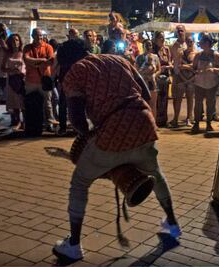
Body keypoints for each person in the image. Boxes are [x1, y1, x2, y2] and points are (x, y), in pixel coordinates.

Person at [52, 53, 181, 261]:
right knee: (155, 173)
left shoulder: (75, 71)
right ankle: (173, 224)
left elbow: (77, 120)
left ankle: (73, 245)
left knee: (80, 182)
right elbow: (146, 93)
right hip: (144, 123)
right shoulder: (118, 59)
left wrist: (91, 140)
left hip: (113, 131)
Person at [23, 28, 56, 136]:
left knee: (47, 103)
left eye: (41, 35)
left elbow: (50, 61)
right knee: (30, 102)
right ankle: (32, 123)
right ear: (33, 36)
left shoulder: (48, 47)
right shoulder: (27, 47)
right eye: (37, 35)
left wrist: (34, 63)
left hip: (44, 79)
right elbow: (26, 59)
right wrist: (42, 60)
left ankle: (49, 123)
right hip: (31, 80)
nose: (39, 37)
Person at [191, 33, 219, 133]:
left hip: (212, 83)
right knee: (198, 104)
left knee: (210, 104)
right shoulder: (198, 55)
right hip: (199, 83)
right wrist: (196, 72)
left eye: (202, 42)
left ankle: (208, 123)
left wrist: (214, 69)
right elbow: (193, 68)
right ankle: (196, 123)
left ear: (207, 43)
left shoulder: (216, 55)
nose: (200, 44)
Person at [56, 38, 88, 136]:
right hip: (78, 79)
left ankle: (63, 128)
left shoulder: (62, 50)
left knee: (63, 104)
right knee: (79, 105)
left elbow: (59, 63)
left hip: (65, 78)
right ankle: (79, 129)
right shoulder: (81, 51)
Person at [1, 33, 25, 130]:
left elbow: (26, 66)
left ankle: (24, 121)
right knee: (14, 101)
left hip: (21, 79)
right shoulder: (8, 54)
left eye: (17, 40)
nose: (15, 42)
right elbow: (2, 68)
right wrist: (11, 70)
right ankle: (17, 121)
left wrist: (22, 72)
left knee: (22, 101)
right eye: (13, 40)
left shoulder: (23, 53)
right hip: (11, 79)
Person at [136, 39, 161, 120]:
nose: (148, 46)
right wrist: (144, 75)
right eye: (146, 45)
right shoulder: (139, 58)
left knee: (153, 104)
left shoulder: (155, 57)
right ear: (143, 46)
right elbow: (136, 71)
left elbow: (159, 69)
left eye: (150, 45)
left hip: (152, 82)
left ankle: (154, 123)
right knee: (144, 104)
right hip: (143, 83)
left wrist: (153, 75)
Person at [176, 34, 196, 127]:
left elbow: (195, 68)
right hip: (182, 78)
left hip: (191, 79)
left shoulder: (196, 54)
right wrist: (189, 67)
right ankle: (175, 118)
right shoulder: (181, 52)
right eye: (188, 41)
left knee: (190, 99)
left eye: (191, 41)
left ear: (194, 42)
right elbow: (178, 67)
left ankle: (189, 118)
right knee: (178, 99)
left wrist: (185, 66)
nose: (189, 43)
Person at [169, 25, 187, 128]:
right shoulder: (173, 45)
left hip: (187, 75)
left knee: (188, 97)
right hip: (177, 74)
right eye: (178, 31)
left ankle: (188, 118)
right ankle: (175, 118)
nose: (179, 33)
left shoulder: (188, 44)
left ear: (184, 31)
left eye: (181, 31)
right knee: (176, 98)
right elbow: (172, 60)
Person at [153, 31, 172, 127]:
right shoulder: (152, 50)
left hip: (165, 77)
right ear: (155, 39)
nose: (162, 39)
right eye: (160, 37)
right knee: (157, 99)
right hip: (156, 77)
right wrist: (160, 68)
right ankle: (156, 119)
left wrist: (169, 66)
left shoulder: (166, 49)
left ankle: (164, 120)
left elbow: (169, 62)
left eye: (163, 37)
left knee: (165, 99)